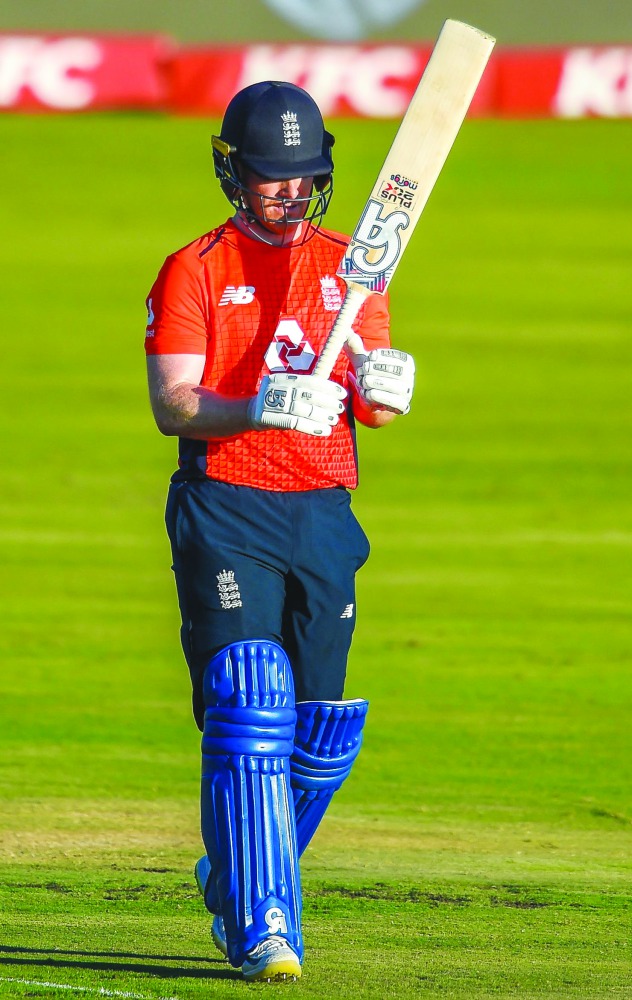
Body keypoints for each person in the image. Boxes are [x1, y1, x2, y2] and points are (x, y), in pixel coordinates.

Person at [144, 80, 415, 983]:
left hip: (324, 509)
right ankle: (265, 923)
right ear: (234, 173)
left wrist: (384, 390)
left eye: (303, 177)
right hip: (227, 503)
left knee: (319, 731)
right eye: (270, 178)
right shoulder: (195, 268)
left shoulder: (354, 266)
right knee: (250, 694)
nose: (288, 194)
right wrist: (256, 407)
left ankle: (233, 869)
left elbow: (367, 405)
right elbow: (173, 407)